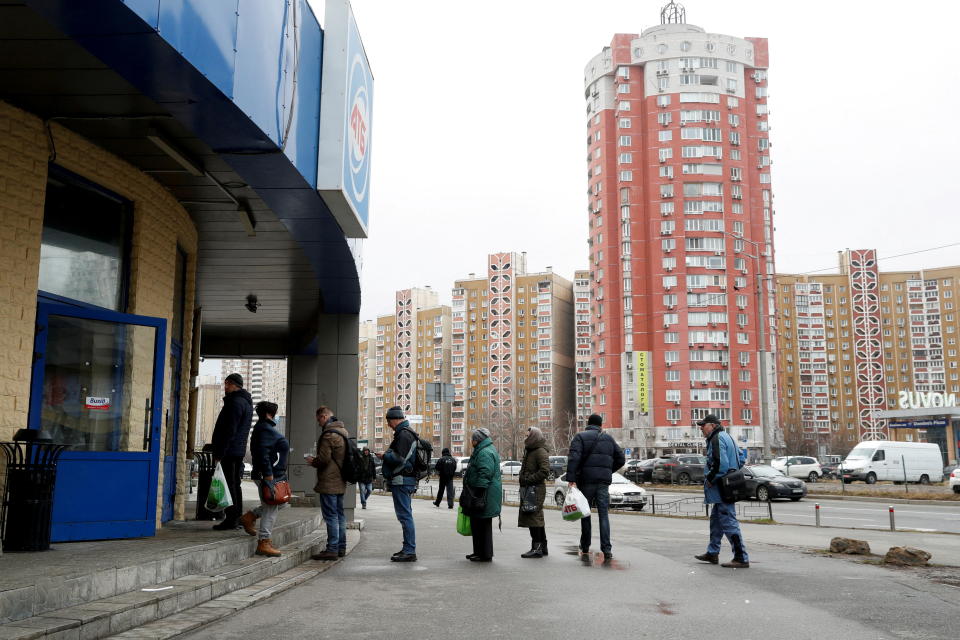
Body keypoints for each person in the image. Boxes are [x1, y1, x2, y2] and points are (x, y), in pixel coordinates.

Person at [566, 413, 625, 561]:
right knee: (603, 515)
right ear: (600, 425)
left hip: (586, 481)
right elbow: (621, 459)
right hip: (603, 482)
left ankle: (585, 545)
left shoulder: (580, 437)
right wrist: (607, 470)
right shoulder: (609, 439)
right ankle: (607, 549)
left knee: (585, 513)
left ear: (588, 423)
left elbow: (574, 458)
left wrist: (571, 479)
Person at [695, 414, 750, 568]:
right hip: (727, 487)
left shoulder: (716, 438)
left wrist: (711, 479)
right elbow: (741, 459)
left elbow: (721, 464)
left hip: (721, 488)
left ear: (712, 425)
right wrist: (733, 474)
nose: (701, 428)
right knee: (716, 522)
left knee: (729, 523)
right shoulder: (727, 437)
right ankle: (712, 553)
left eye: (703, 425)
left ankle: (741, 557)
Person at [238, 401, 289, 557]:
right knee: (271, 507)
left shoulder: (263, 428)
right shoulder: (265, 429)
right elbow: (263, 454)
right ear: (270, 414)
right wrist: (268, 476)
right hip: (268, 475)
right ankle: (264, 542)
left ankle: (250, 517)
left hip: (272, 474)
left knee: (280, 503)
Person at [210, 373, 253, 531]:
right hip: (238, 450)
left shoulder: (234, 402)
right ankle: (237, 517)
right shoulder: (246, 403)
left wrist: (220, 452)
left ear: (235, 385)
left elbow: (229, 430)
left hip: (229, 450)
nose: (225, 386)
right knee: (235, 484)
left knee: (228, 485)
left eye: (227, 383)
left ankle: (231, 519)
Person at [306, 411, 349, 560]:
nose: (318, 423)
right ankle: (341, 547)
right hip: (341, 479)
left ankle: (332, 549)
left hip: (329, 481)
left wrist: (313, 461)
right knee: (340, 515)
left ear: (324, 417)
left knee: (331, 516)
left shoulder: (328, 435)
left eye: (319, 419)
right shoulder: (343, 432)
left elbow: (324, 459)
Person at [381, 406, 419, 562]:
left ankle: (409, 551)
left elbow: (399, 459)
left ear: (395, 419)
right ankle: (408, 548)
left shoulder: (403, 435)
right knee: (405, 515)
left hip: (402, 481)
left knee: (405, 516)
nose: (389, 425)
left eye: (389, 421)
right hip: (404, 480)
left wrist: (385, 455)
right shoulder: (406, 433)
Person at [462, 428, 502, 562]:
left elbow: (485, 472)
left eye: (472, 439)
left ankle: (485, 554)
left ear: (477, 440)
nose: (471, 442)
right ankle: (478, 552)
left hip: (484, 494)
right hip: (482, 494)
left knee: (482, 525)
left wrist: (478, 492)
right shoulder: (483, 450)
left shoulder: (484, 452)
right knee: (477, 523)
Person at [518, 426, 550, 558]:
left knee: (534, 517)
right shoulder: (530, 450)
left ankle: (536, 548)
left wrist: (528, 480)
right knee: (536, 517)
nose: (525, 438)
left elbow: (544, 471)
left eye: (527, 435)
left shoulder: (540, 451)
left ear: (533, 437)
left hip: (535, 489)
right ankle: (542, 547)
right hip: (529, 489)